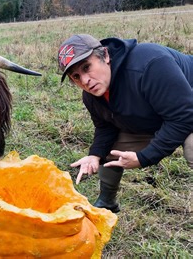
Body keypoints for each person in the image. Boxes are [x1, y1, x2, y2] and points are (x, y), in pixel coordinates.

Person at [57, 34, 193, 213]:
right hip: (159, 115)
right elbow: (105, 127)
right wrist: (95, 154)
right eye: (76, 76)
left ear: (105, 56)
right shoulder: (92, 94)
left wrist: (144, 157)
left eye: (87, 67)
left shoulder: (150, 65)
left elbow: (184, 117)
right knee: (110, 149)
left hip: (187, 110)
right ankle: (106, 201)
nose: (85, 81)